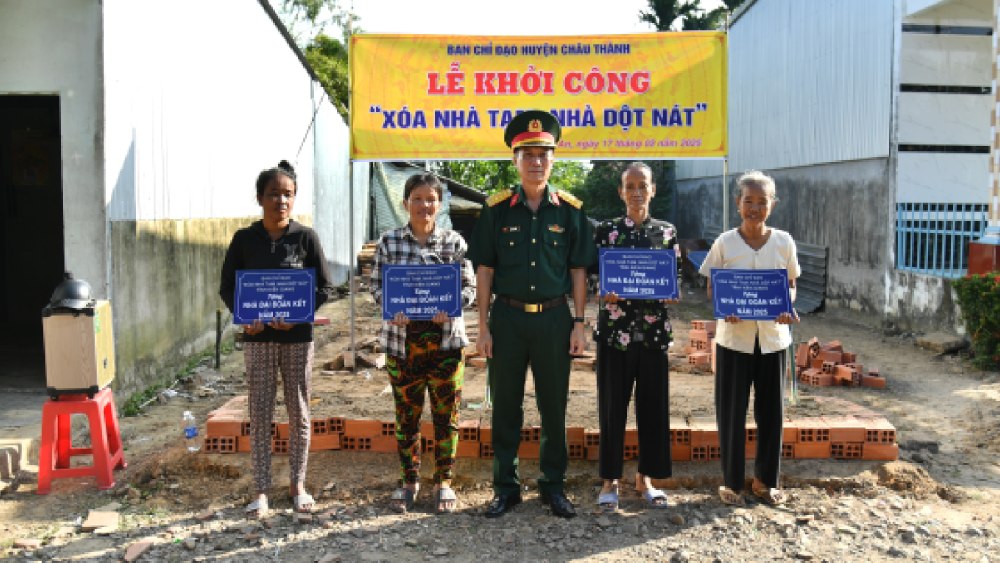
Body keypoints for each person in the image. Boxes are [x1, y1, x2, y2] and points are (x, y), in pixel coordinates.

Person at [469, 110, 597, 519]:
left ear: (553, 159)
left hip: (554, 320)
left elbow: (578, 271)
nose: (536, 162)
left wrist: (579, 324)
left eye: (543, 154)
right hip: (506, 320)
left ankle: (552, 486)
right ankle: (505, 487)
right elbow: (484, 270)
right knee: (506, 405)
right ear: (514, 159)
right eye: (528, 154)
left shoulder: (571, 211)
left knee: (553, 407)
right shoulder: (496, 210)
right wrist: (483, 326)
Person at [219, 160, 334, 518]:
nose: (281, 201)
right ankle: (261, 489)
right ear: (260, 198)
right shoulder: (244, 240)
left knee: (299, 410)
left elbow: (324, 287)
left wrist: (300, 313)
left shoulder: (306, 238)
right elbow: (228, 287)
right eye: (274, 194)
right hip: (258, 340)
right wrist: (245, 317)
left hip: (297, 338)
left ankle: (297, 484)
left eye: (287, 194)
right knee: (260, 411)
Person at [369, 173, 475, 514]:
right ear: (405, 204)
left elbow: (469, 288)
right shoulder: (388, 243)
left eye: (430, 199)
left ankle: (443, 481)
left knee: (448, 416)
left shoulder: (453, 243)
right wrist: (391, 309)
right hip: (403, 344)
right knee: (407, 417)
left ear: (439, 204)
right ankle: (409, 481)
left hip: (446, 345)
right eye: (417, 199)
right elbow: (376, 286)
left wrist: (453, 306)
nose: (424, 205)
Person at [699, 170, 800, 507]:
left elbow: (791, 285)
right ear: (737, 203)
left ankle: (765, 481)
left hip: (773, 339)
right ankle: (731, 482)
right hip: (734, 340)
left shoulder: (784, 242)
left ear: (773, 204)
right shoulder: (724, 243)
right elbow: (713, 286)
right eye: (748, 201)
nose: (755, 208)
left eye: (762, 202)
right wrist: (723, 307)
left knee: (771, 412)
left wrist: (788, 307)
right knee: (732, 411)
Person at [592, 162, 678, 511]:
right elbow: (593, 276)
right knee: (612, 408)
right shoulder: (606, 231)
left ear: (653, 190)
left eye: (643, 185)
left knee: (653, 409)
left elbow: (674, 282)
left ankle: (647, 477)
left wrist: (672, 292)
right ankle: (610, 478)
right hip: (615, 335)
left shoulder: (667, 232)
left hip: (654, 335)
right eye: (630, 186)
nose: (637, 192)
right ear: (621, 192)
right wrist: (604, 291)